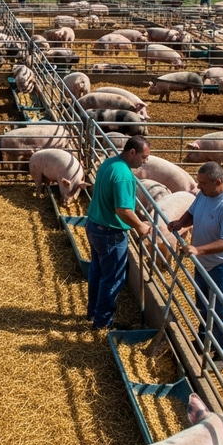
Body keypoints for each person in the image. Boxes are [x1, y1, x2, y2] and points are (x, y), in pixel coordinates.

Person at [168, 162, 223, 369]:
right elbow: (192, 212)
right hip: (203, 262)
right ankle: (204, 339)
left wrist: (198, 250)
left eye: (202, 182)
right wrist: (180, 222)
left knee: (221, 310)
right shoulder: (204, 194)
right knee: (203, 303)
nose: (198, 186)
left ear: (217, 182)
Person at [85, 135, 152, 329]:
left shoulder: (110, 162)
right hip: (110, 232)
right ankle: (103, 322)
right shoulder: (123, 175)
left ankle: (93, 312)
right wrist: (140, 226)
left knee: (97, 271)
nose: (145, 161)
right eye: (144, 156)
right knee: (113, 278)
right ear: (132, 152)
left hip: (94, 224)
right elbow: (122, 209)